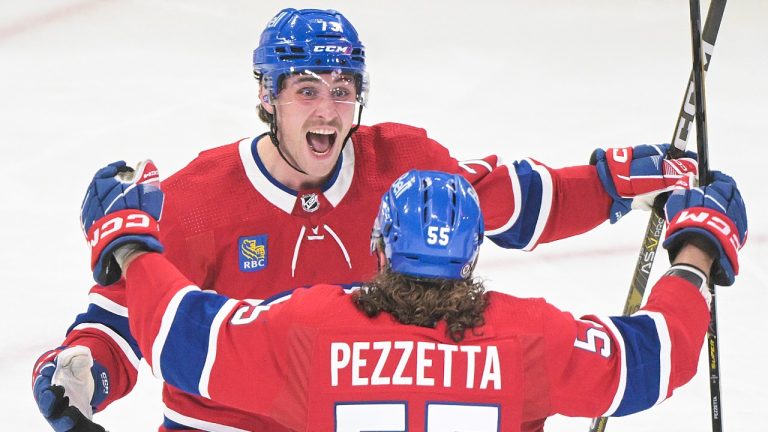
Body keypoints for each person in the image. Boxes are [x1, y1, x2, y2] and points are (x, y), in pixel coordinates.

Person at [32, 8, 699, 432]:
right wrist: (87, 363)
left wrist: (611, 185)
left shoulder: (401, 167)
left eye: (342, 90)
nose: (328, 112)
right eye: (307, 90)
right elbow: (125, 318)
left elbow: (512, 203)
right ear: (268, 97)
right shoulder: (199, 198)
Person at [74, 167, 750, 431]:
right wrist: (695, 252)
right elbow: (657, 358)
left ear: (381, 244)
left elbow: (182, 337)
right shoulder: (526, 339)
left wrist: (133, 243)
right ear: (473, 252)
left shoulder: (309, 330)